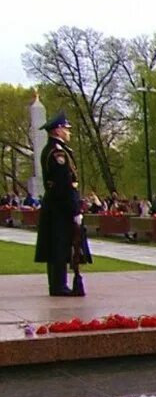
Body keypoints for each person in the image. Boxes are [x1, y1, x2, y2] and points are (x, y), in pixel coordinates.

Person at [34, 112, 85, 296]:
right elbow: (64, 183)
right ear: (57, 130)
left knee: (59, 244)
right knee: (59, 244)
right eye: (65, 128)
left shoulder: (57, 150)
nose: (68, 132)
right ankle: (58, 285)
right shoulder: (57, 153)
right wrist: (74, 209)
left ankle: (58, 284)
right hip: (60, 206)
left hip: (56, 204)